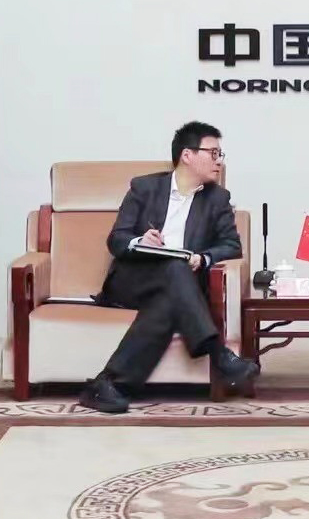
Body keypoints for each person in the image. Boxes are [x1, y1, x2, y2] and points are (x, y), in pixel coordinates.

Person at [78, 122, 258, 413]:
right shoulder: (144, 188)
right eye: (213, 153)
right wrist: (140, 240)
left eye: (220, 154)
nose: (219, 161)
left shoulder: (217, 198)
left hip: (179, 287)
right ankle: (219, 354)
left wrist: (203, 258)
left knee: (168, 296)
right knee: (174, 268)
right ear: (187, 155)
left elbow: (231, 245)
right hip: (133, 280)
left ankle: (107, 384)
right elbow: (117, 239)